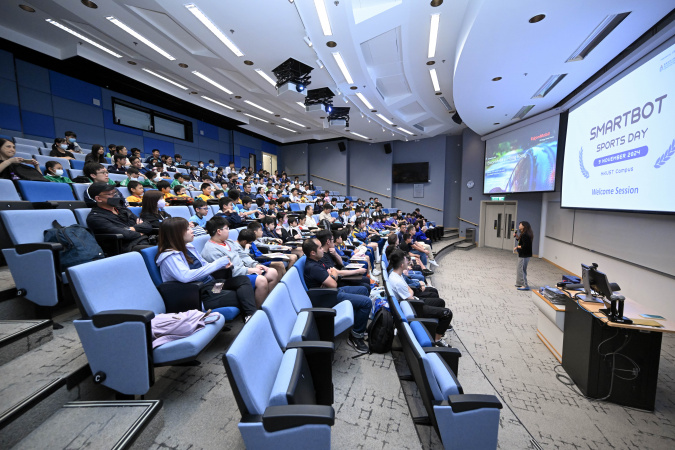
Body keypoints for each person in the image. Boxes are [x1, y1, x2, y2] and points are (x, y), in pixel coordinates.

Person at [155, 217, 257, 321]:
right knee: (242, 296)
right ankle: (251, 318)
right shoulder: (169, 256)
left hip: (212, 286)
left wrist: (221, 265)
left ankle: (250, 316)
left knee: (243, 280)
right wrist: (217, 264)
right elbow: (185, 276)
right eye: (187, 229)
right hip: (199, 295)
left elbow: (204, 265)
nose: (192, 231)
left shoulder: (188, 247)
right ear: (176, 233)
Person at [302, 238, 371, 353]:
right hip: (326, 297)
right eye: (319, 248)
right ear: (312, 253)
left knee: (364, 290)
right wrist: (333, 275)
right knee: (366, 302)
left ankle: (357, 324)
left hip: (332, 291)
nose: (323, 250)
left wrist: (333, 275)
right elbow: (333, 283)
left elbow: (334, 274)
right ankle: (356, 336)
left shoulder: (318, 261)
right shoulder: (314, 268)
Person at [203, 218, 279, 308]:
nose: (229, 231)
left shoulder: (229, 242)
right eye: (227, 228)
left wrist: (255, 265)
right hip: (230, 278)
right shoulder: (211, 250)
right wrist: (249, 270)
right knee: (261, 280)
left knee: (272, 272)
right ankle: (258, 311)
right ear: (219, 231)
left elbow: (243, 255)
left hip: (243, 271)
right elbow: (227, 272)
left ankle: (267, 304)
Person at [387, 250, 452, 347]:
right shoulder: (398, 281)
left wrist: (410, 290)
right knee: (447, 313)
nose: (408, 262)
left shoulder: (395, 274)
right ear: (401, 265)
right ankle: (437, 340)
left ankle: (439, 330)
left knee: (440, 302)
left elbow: (409, 289)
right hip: (414, 307)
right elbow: (410, 296)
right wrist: (410, 290)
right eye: (405, 261)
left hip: (412, 302)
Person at [85, 182, 153, 253]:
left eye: (115, 193)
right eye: (110, 194)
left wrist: (132, 229)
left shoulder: (123, 210)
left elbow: (147, 225)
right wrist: (141, 231)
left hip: (145, 240)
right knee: (160, 250)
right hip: (128, 247)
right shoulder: (95, 217)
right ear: (98, 198)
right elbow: (124, 234)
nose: (115, 196)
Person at [514, 221, 533, 290]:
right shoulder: (523, 234)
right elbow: (521, 241)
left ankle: (525, 285)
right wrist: (517, 237)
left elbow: (525, 246)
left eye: (520, 225)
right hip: (522, 254)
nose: (519, 226)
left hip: (524, 255)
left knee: (522, 270)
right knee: (520, 269)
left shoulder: (526, 234)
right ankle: (519, 283)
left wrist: (517, 247)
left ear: (524, 226)